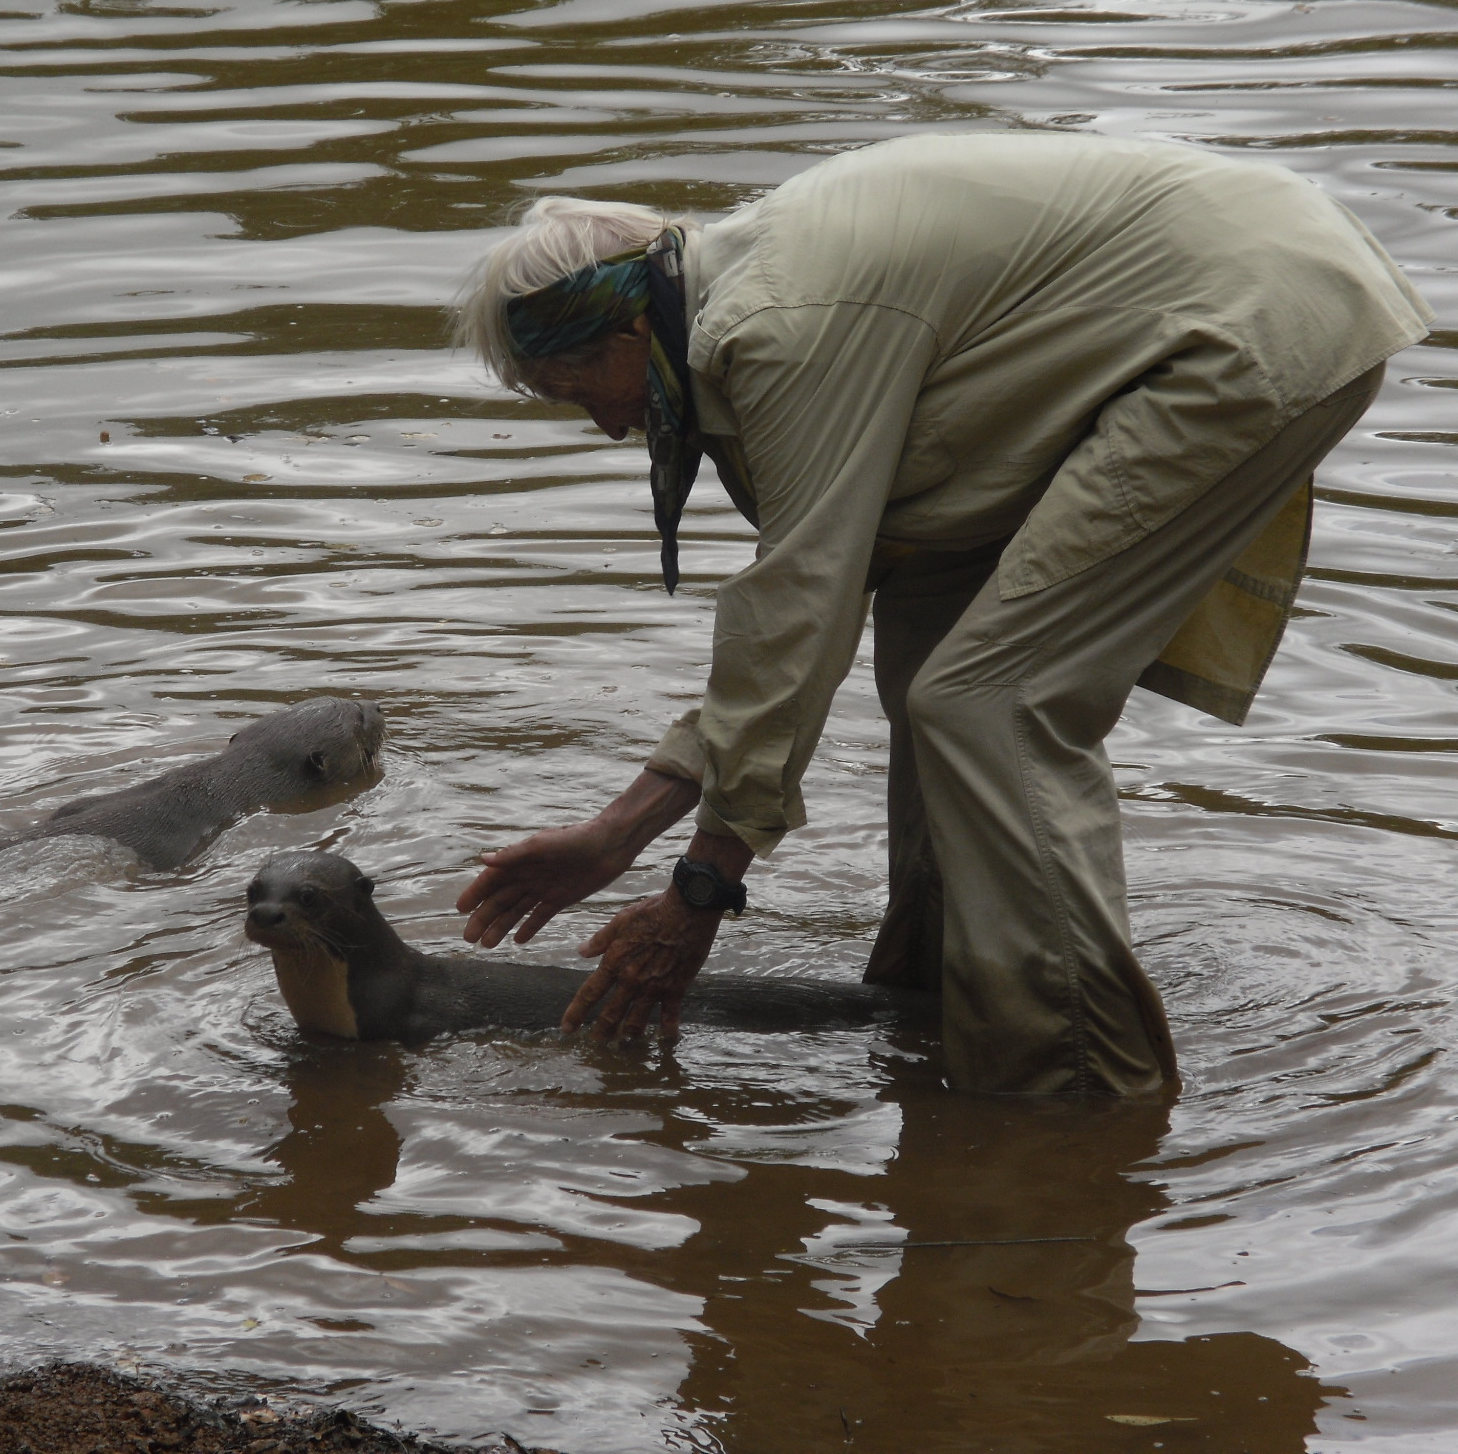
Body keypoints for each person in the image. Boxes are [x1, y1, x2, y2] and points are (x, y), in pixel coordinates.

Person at [449, 131, 1431, 1096]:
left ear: (629, 332)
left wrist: (698, 892)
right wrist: (614, 837)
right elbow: (790, 633)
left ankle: (1074, 1090)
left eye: (581, 391)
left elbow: (796, 615)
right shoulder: (738, 302)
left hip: (1247, 318)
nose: (608, 425)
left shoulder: (775, 328)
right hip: (1222, 299)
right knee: (931, 674)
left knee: (989, 703)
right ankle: (939, 1006)